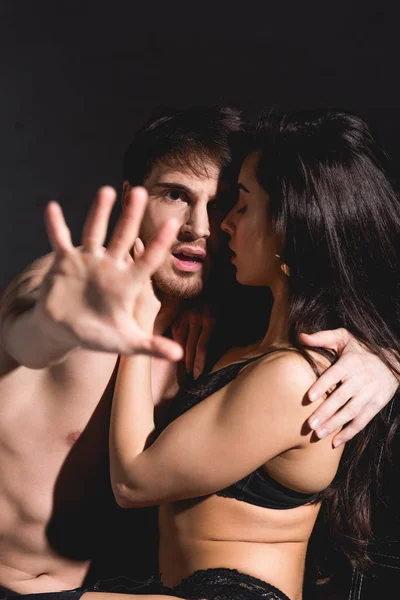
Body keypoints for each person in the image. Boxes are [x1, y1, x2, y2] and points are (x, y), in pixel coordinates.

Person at [0, 105, 397, 600]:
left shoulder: (229, 330)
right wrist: (55, 319)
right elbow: (27, 329)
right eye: (175, 195)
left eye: (227, 203)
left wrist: (383, 359)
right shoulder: (72, 283)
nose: (201, 226)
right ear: (131, 201)